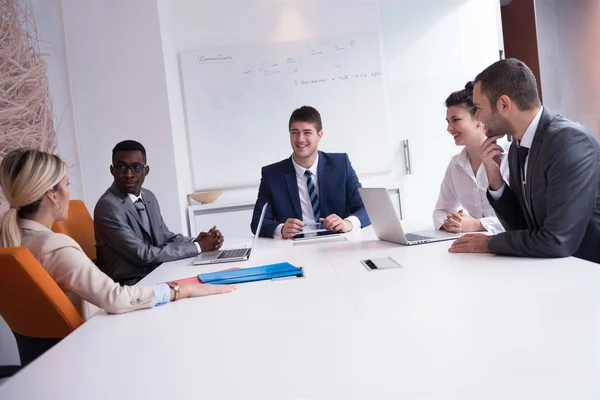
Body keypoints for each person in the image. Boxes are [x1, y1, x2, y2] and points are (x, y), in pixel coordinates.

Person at [0, 149, 234, 320]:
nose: (69, 194)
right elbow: (115, 298)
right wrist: (182, 289)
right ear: (52, 194)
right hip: (94, 338)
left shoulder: (16, 240)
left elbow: (162, 236)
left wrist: (195, 242)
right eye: (66, 185)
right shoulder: (54, 246)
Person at [449, 58, 600, 263]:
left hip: (586, 271)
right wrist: (495, 179)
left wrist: (489, 243)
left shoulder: (568, 142)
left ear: (504, 104)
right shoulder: (517, 147)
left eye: (478, 108)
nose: (477, 117)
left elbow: (557, 240)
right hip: (551, 268)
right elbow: (523, 227)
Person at [94, 140, 224, 282]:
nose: (129, 174)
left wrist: (196, 241)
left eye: (136, 167)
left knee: (212, 276)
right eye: (121, 167)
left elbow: (165, 237)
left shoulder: (148, 197)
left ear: (146, 170)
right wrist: (198, 247)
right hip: (129, 283)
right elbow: (143, 255)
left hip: (157, 272)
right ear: (112, 170)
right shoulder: (108, 207)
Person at [250, 106, 370, 238]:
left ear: (319, 135)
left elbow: (367, 209)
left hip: (337, 244)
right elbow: (257, 223)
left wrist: (348, 223)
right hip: (294, 248)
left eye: (307, 132)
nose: (300, 139)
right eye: (295, 132)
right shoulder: (272, 174)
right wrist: (281, 229)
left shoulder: (341, 165)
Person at [433, 82, 510, 234]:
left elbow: (521, 219)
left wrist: (477, 224)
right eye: (448, 121)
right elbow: (441, 211)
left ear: (479, 119)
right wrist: (450, 223)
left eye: (455, 120)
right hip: (472, 246)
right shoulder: (456, 165)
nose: (449, 128)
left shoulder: (509, 156)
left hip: (509, 247)